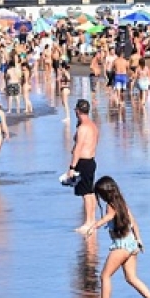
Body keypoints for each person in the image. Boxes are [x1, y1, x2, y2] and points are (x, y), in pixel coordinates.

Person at [86, 176, 150, 298]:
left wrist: (94, 226)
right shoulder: (122, 202)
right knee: (131, 278)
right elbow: (133, 222)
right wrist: (139, 240)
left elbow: (108, 217)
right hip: (131, 243)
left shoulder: (111, 205)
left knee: (105, 276)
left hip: (121, 245)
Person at [64, 99, 99, 232]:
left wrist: (72, 168)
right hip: (91, 161)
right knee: (89, 192)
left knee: (86, 193)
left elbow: (78, 148)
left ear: (78, 111)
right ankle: (91, 221)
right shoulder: (92, 125)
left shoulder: (83, 128)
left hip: (83, 162)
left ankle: (88, 222)